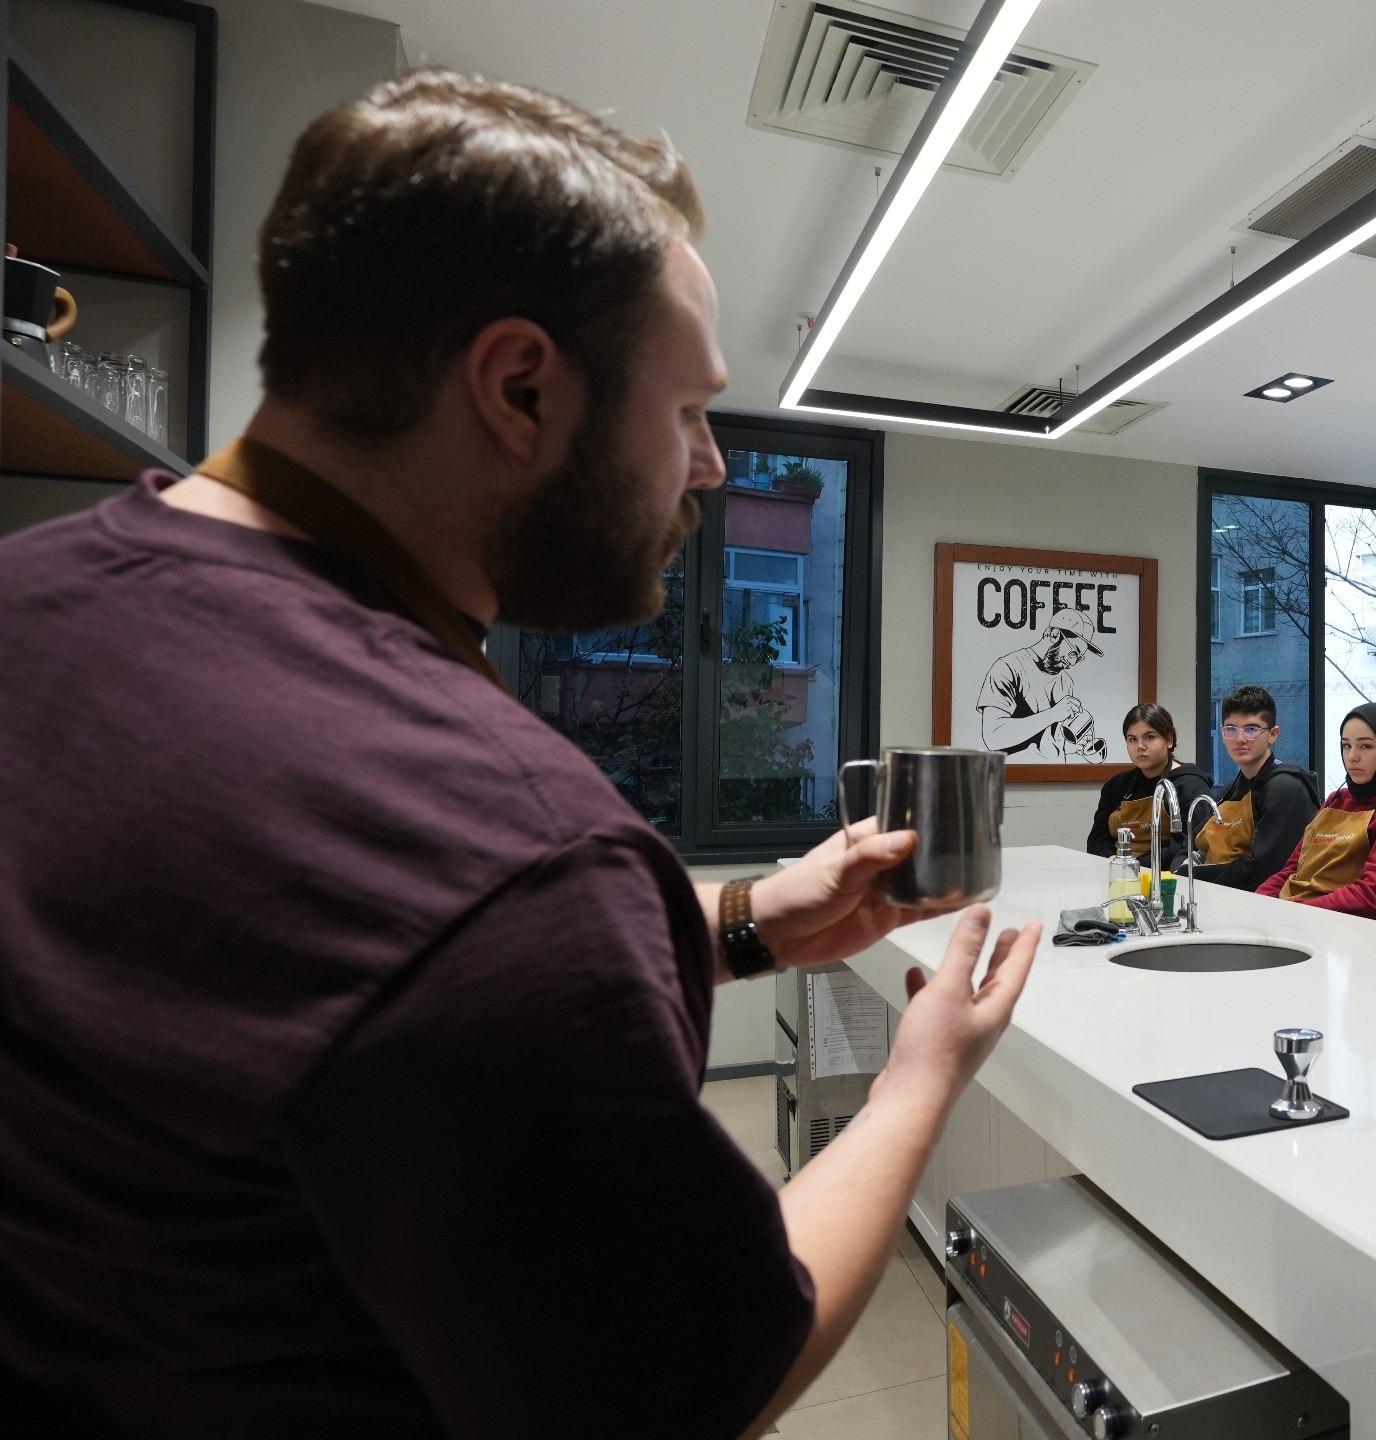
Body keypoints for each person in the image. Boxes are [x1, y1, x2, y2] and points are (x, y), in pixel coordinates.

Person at [0, 71, 1036, 1434]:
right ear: (520, 387)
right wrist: (920, 1075)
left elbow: (301, 971)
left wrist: (739, 920)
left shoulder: (34, 598)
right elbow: (705, 1378)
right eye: (688, 410)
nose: (712, 467)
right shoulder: (505, 845)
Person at [1257, 704, 1376, 918]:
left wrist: (1292, 912)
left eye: (1366, 746)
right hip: (1293, 913)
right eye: (1346, 745)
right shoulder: (1336, 800)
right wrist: (1259, 903)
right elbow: (1292, 869)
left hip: (1338, 924)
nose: (1352, 756)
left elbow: (1370, 895)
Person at [1189, 685, 1322, 894]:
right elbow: (1192, 845)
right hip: (1218, 894)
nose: (1240, 739)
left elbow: (1263, 869)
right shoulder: (1229, 790)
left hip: (1263, 903)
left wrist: (1191, 876)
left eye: (1251, 729)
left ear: (1273, 734)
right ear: (1222, 733)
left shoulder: (1288, 788)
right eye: (1231, 729)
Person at [1084, 703, 1214, 861]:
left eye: (1149, 737)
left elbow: (1185, 847)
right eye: (1132, 739)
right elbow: (1097, 839)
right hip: (1116, 868)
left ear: (1169, 740)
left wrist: (1132, 865)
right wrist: (1113, 861)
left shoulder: (1191, 785)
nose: (1140, 746)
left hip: (1164, 872)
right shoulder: (1116, 785)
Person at [977, 608, 1107, 762]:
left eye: (1079, 658)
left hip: (1054, 774)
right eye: (1073, 653)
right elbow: (993, 736)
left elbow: (1049, 741)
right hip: (1017, 775)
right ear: (1054, 634)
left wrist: (1076, 748)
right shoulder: (1009, 667)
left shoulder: (1066, 681)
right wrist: (1054, 713)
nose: (1072, 663)